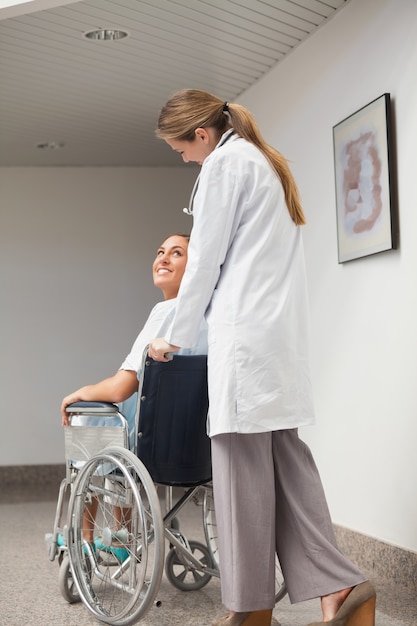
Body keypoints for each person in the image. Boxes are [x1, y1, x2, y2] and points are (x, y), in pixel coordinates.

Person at [149, 90, 376, 626]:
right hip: (273, 345)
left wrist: (173, 335)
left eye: (180, 148)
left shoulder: (226, 165)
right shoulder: (260, 161)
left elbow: (202, 261)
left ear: (201, 135)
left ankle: (249, 607)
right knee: (288, 468)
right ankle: (339, 588)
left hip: (247, 347)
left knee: (239, 477)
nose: (182, 158)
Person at [61, 233, 208, 549]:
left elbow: (120, 388)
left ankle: (85, 539)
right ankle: (120, 533)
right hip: (195, 448)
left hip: (150, 444)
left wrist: (81, 392)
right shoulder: (213, 317)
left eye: (177, 253)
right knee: (122, 426)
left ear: (197, 265)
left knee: (88, 420)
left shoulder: (165, 312)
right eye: (160, 252)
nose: (163, 258)